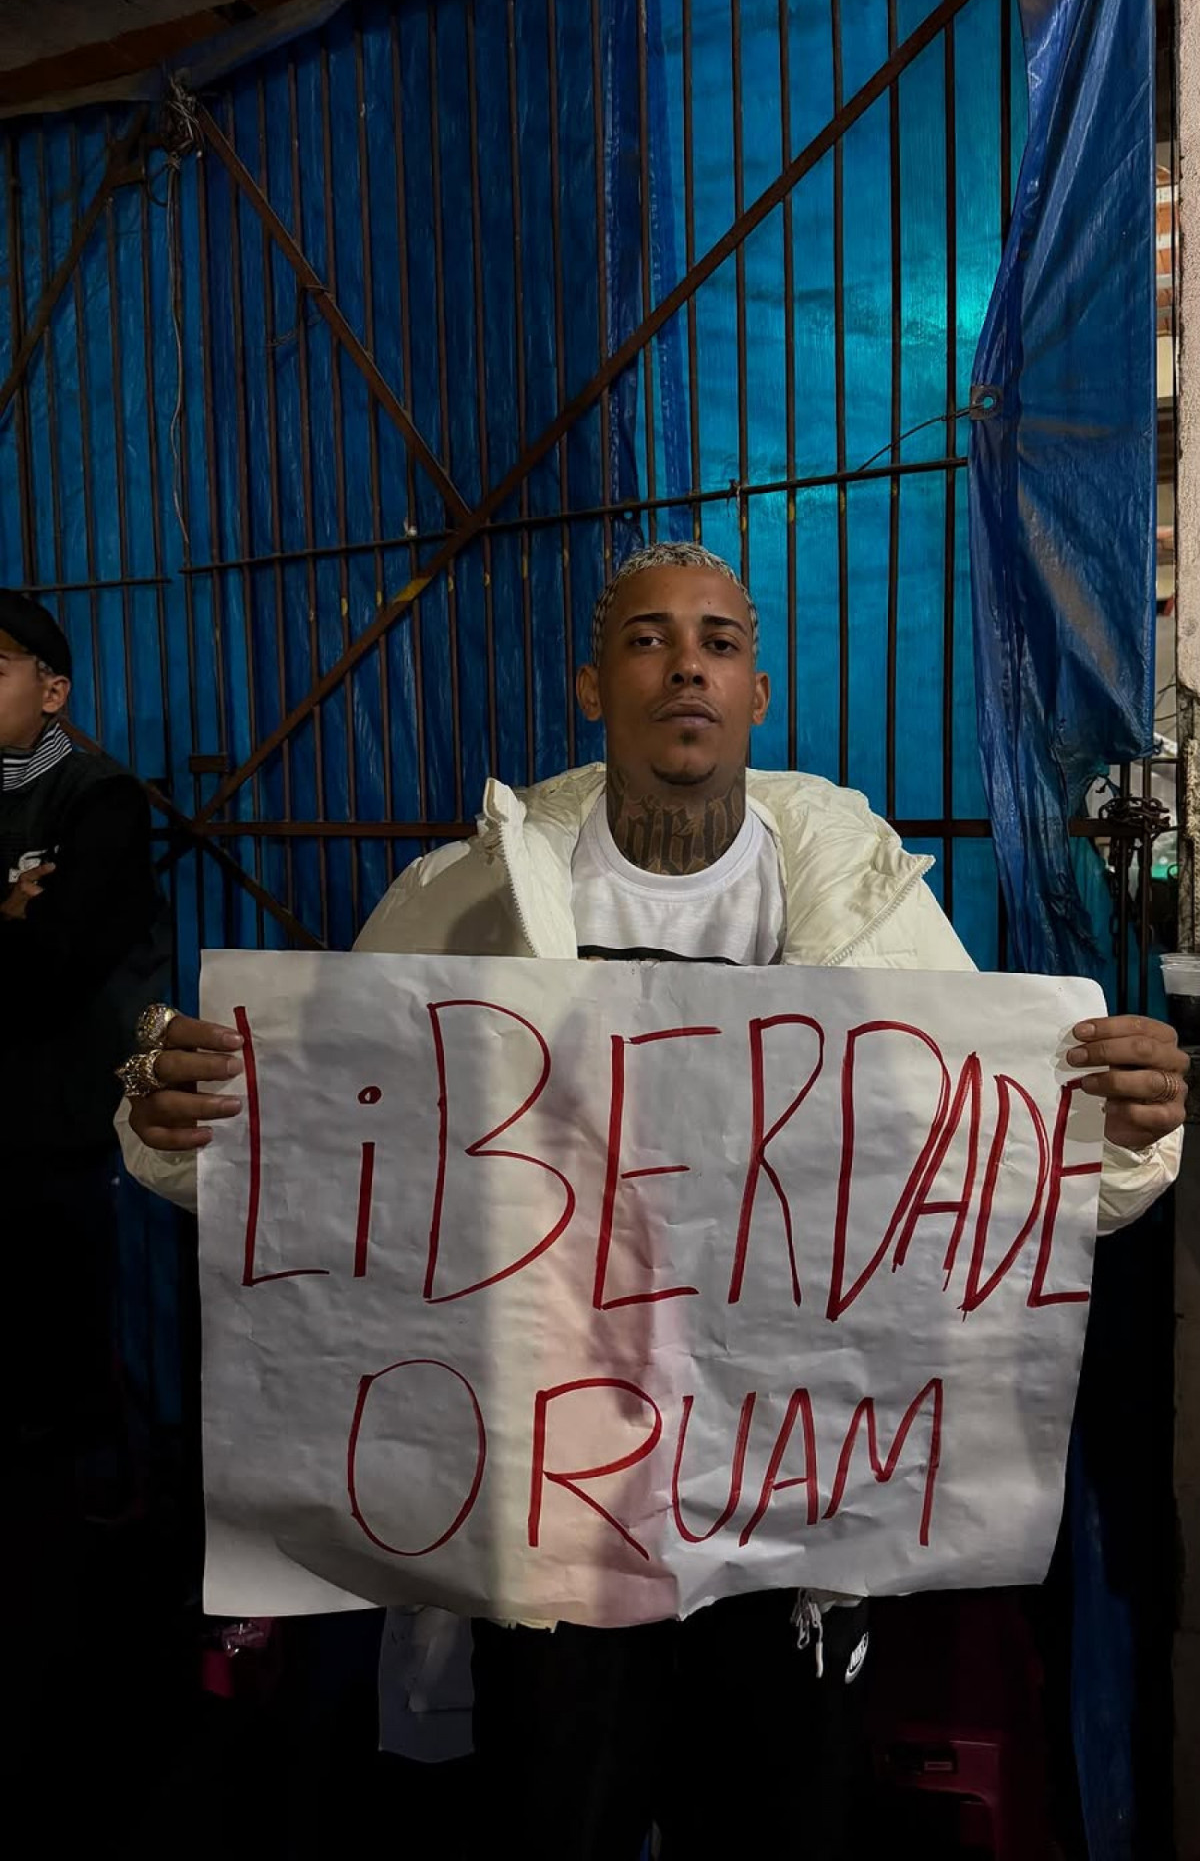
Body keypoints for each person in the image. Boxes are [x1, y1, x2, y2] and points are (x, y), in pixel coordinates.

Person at [115, 544, 1188, 1859]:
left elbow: (989, 1185)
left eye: (721, 641)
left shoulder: (871, 922)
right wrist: (179, 1127)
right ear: (589, 683)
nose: (687, 663)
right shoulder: (463, 909)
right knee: (558, 1815)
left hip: (790, 1506)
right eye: (648, 639)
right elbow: (318, 1159)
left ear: (759, 691)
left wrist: (1121, 1138)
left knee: (780, 1816)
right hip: (552, 1500)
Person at [1, 590, 168, 1493]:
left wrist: (26, 937)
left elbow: (58, 969)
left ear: (53, 691)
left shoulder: (99, 801)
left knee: (68, 1348)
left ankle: (98, 1512)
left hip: (61, 1127)